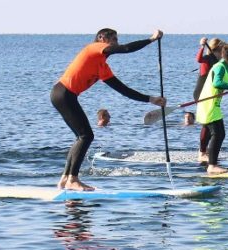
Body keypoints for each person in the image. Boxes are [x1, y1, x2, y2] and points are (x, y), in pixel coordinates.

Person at [51, 28, 165, 191]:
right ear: (102, 38)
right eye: (114, 39)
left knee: (81, 137)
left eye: (117, 40)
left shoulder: (102, 66)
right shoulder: (94, 48)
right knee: (86, 136)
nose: (116, 43)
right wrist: (151, 39)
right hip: (62, 93)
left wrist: (150, 99)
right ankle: (73, 180)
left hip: (65, 95)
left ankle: (65, 179)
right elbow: (126, 49)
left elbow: (123, 90)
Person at [196, 43, 228, 174]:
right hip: (209, 105)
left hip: (213, 106)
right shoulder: (219, 67)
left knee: (218, 134)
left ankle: (209, 161)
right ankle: (212, 166)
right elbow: (217, 83)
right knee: (218, 134)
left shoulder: (226, 68)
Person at [194, 37, 224, 162]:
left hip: (210, 95)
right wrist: (202, 46)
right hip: (202, 95)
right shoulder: (207, 59)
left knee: (207, 126)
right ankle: (202, 153)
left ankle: (203, 151)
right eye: (222, 49)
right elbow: (198, 59)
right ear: (216, 49)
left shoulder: (218, 62)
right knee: (207, 125)